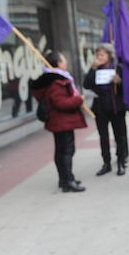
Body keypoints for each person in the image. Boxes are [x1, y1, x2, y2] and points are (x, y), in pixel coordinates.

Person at [30, 50, 86, 192]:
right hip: (61, 121)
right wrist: (78, 99)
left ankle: (65, 179)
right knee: (66, 151)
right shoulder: (56, 82)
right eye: (63, 60)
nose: (65, 62)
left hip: (59, 121)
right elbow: (61, 103)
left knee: (62, 151)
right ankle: (68, 181)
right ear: (58, 63)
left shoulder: (54, 79)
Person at [83, 43, 128, 176]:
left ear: (109, 55)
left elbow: (126, 88)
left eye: (102, 55)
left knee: (119, 136)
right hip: (100, 107)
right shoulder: (95, 68)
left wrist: (119, 83)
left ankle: (121, 162)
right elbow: (86, 84)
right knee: (103, 137)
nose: (99, 57)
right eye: (97, 55)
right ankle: (106, 163)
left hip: (116, 107)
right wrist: (92, 69)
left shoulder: (117, 67)